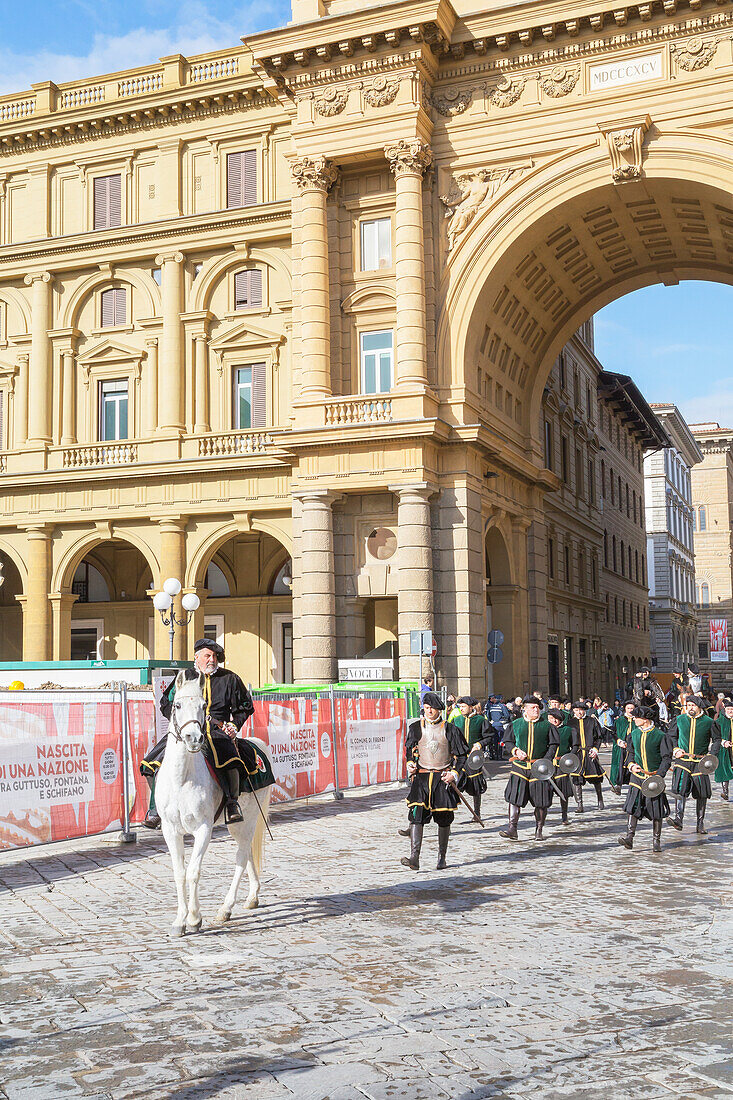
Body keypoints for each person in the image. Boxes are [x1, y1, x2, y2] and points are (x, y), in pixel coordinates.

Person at [140, 639, 255, 828]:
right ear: (197, 657)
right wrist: (180, 723)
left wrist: (234, 726)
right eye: (208, 655)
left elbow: (245, 706)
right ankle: (155, 809)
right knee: (149, 763)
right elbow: (165, 702)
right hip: (186, 730)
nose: (212, 660)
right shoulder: (184, 677)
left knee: (231, 760)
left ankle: (232, 804)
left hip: (216, 731)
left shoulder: (230, 678)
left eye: (215, 656)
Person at [401, 691, 467, 871]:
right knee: (416, 814)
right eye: (426, 707)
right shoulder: (415, 727)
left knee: (444, 818)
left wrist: (454, 773)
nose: (429, 711)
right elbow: (410, 749)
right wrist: (410, 763)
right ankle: (415, 857)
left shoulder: (451, 729)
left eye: (432, 708)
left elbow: (462, 756)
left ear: (439, 709)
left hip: (442, 779)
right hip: (422, 778)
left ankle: (442, 857)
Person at [618, 705, 674, 853]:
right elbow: (630, 753)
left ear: (646, 719)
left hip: (653, 778)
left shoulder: (661, 735)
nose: (634, 719)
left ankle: (656, 841)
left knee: (656, 809)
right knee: (633, 807)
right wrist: (630, 765)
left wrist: (659, 775)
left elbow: (666, 759)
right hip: (637, 777)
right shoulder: (633, 734)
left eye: (637, 717)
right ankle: (629, 838)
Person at [499, 696, 555, 841]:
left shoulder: (547, 725)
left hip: (539, 767)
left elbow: (553, 745)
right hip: (520, 766)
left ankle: (539, 830)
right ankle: (512, 829)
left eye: (537, 707)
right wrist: (516, 751)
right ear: (525, 708)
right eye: (532, 707)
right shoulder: (516, 724)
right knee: (514, 798)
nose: (536, 710)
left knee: (541, 800)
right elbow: (508, 741)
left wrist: (546, 761)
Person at [667, 695, 721, 835]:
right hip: (683, 760)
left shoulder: (709, 722)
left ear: (699, 707)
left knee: (701, 793)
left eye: (693, 705)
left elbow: (716, 740)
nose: (690, 708)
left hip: (700, 762)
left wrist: (712, 755)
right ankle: (679, 819)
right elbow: (671, 736)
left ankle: (700, 823)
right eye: (688, 705)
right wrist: (675, 749)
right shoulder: (679, 720)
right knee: (680, 788)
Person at [452, 695, 490, 820]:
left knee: (476, 785)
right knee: (453, 785)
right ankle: (448, 815)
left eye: (463, 706)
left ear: (470, 707)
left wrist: (479, 744)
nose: (461, 709)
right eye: (460, 706)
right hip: (459, 759)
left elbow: (489, 736)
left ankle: (477, 813)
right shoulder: (456, 720)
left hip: (474, 759)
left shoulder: (480, 720)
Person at [566, 701, 605, 812]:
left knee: (596, 778)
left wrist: (595, 749)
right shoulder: (570, 723)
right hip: (577, 754)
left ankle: (600, 800)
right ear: (573, 710)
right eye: (577, 710)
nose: (579, 712)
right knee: (577, 779)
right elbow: (567, 739)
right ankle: (580, 804)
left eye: (581, 710)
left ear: (585, 710)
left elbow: (598, 737)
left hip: (590, 753)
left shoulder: (592, 721)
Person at [546, 707, 574, 824]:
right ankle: (543, 815)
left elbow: (575, 746)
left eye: (556, 719)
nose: (554, 721)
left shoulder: (568, 730)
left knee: (563, 792)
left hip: (561, 765)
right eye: (551, 719)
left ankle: (564, 815)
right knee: (545, 791)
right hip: (547, 765)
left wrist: (569, 758)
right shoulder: (545, 729)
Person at [610, 700, 636, 794]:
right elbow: (614, 733)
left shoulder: (637, 720)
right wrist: (618, 741)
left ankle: (633, 785)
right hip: (622, 748)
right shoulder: (620, 720)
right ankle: (618, 785)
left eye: (632, 708)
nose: (630, 710)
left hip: (633, 748)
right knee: (620, 766)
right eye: (628, 708)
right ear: (625, 709)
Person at [713, 697, 733, 801]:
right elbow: (716, 736)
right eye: (729, 709)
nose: (731, 711)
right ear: (725, 709)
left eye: (732, 710)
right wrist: (723, 742)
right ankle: (725, 791)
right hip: (725, 749)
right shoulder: (719, 721)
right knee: (725, 769)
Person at [484, 694, 510, 760]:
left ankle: (494, 755)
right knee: (501, 741)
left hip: (493, 725)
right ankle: (500, 756)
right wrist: (503, 721)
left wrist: (492, 721)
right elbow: (507, 715)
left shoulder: (491, 707)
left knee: (494, 741)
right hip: (500, 725)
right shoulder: (502, 706)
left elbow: (488, 715)